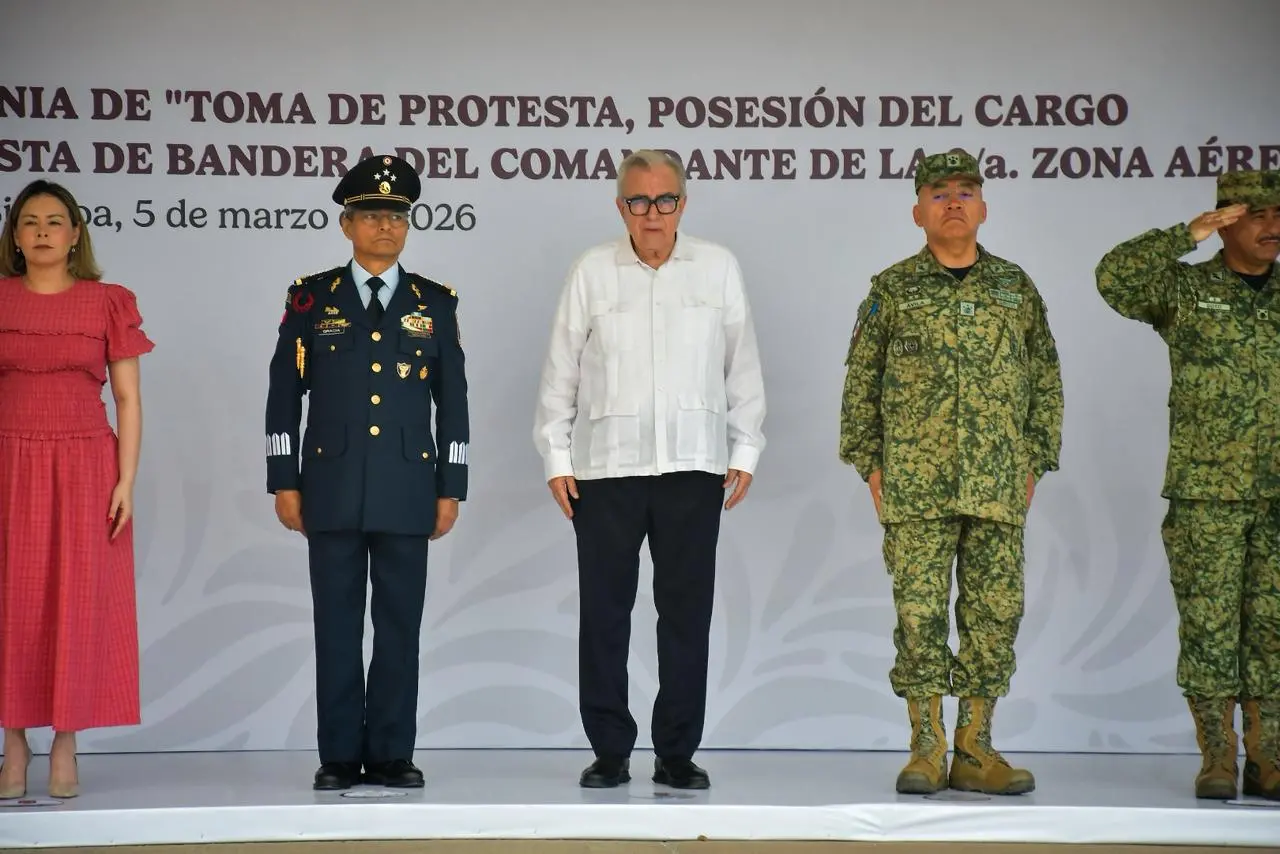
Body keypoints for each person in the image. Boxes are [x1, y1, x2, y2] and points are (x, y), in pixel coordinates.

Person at [532, 149, 766, 790]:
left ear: (683, 205)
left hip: (694, 469)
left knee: (686, 615)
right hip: (605, 472)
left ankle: (676, 753)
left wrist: (744, 449)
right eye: (639, 201)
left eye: (665, 200)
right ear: (621, 208)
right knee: (604, 615)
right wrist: (556, 456)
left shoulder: (717, 269)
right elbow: (561, 374)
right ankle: (609, 749)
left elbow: (740, 367)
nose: (653, 213)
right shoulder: (591, 272)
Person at [839, 149, 1063, 796]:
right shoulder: (892, 289)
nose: (954, 203)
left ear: (984, 206)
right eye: (939, 193)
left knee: (995, 614)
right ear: (918, 210)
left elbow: (1044, 378)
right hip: (916, 482)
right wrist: (870, 463)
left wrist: (1035, 459)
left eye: (966, 191)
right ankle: (926, 747)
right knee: (919, 616)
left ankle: (975, 746)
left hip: (997, 481)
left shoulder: (1013, 288)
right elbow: (862, 383)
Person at [264, 154, 469, 791]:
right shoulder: (311, 298)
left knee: (400, 628)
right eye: (372, 216)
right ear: (347, 224)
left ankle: (391, 755)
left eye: (397, 217)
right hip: (328, 488)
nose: (386, 227)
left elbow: (454, 400)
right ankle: (337, 757)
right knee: (337, 627)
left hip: (410, 489)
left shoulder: (433, 302)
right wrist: (284, 477)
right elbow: (282, 393)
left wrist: (451, 485)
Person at [1094, 169, 1280, 802]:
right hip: (1207, 493)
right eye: (1256, 214)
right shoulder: (1188, 289)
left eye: (1279, 213)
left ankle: (1269, 756)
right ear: (1227, 220)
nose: (1272, 225)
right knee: (1209, 629)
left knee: (1274, 630)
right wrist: (1185, 234)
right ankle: (1218, 758)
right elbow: (1114, 278)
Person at [0, 179, 154, 799]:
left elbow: (128, 398)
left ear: (74, 235)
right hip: (8, 459)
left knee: (76, 600)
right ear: (15, 235)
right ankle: (14, 744)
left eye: (55, 220)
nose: (41, 230)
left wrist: (127, 480)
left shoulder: (106, 302)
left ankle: (65, 742)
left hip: (87, 465)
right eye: (30, 220)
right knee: (12, 601)